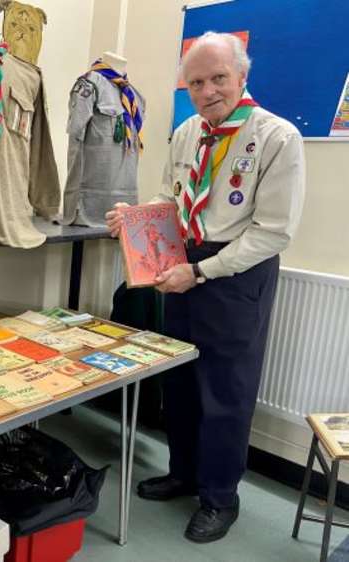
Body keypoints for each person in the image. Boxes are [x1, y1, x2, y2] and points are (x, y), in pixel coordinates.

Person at [106, 31, 305, 543]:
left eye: (218, 78)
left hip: (235, 272)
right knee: (180, 381)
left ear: (242, 76)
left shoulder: (277, 136)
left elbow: (273, 232)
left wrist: (200, 272)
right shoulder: (187, 130)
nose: (207, 90)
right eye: (196, 82)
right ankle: (184, 473)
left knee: (226, 392)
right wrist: (137, 215)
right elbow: (173, 196)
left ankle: (220, 498)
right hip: (181, 262)